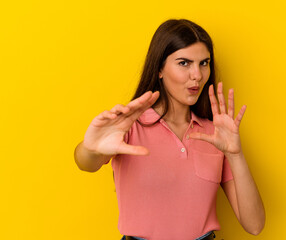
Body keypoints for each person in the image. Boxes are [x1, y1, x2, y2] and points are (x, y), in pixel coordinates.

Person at [74, 19, 265, 240]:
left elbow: (255, 225)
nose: (197, 75)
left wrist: (235, 154)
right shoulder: (128, 126)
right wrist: (92, 149)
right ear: (159, 70)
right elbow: (85, 162)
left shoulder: (215, 134)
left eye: (204, 63)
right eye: (184, 63)